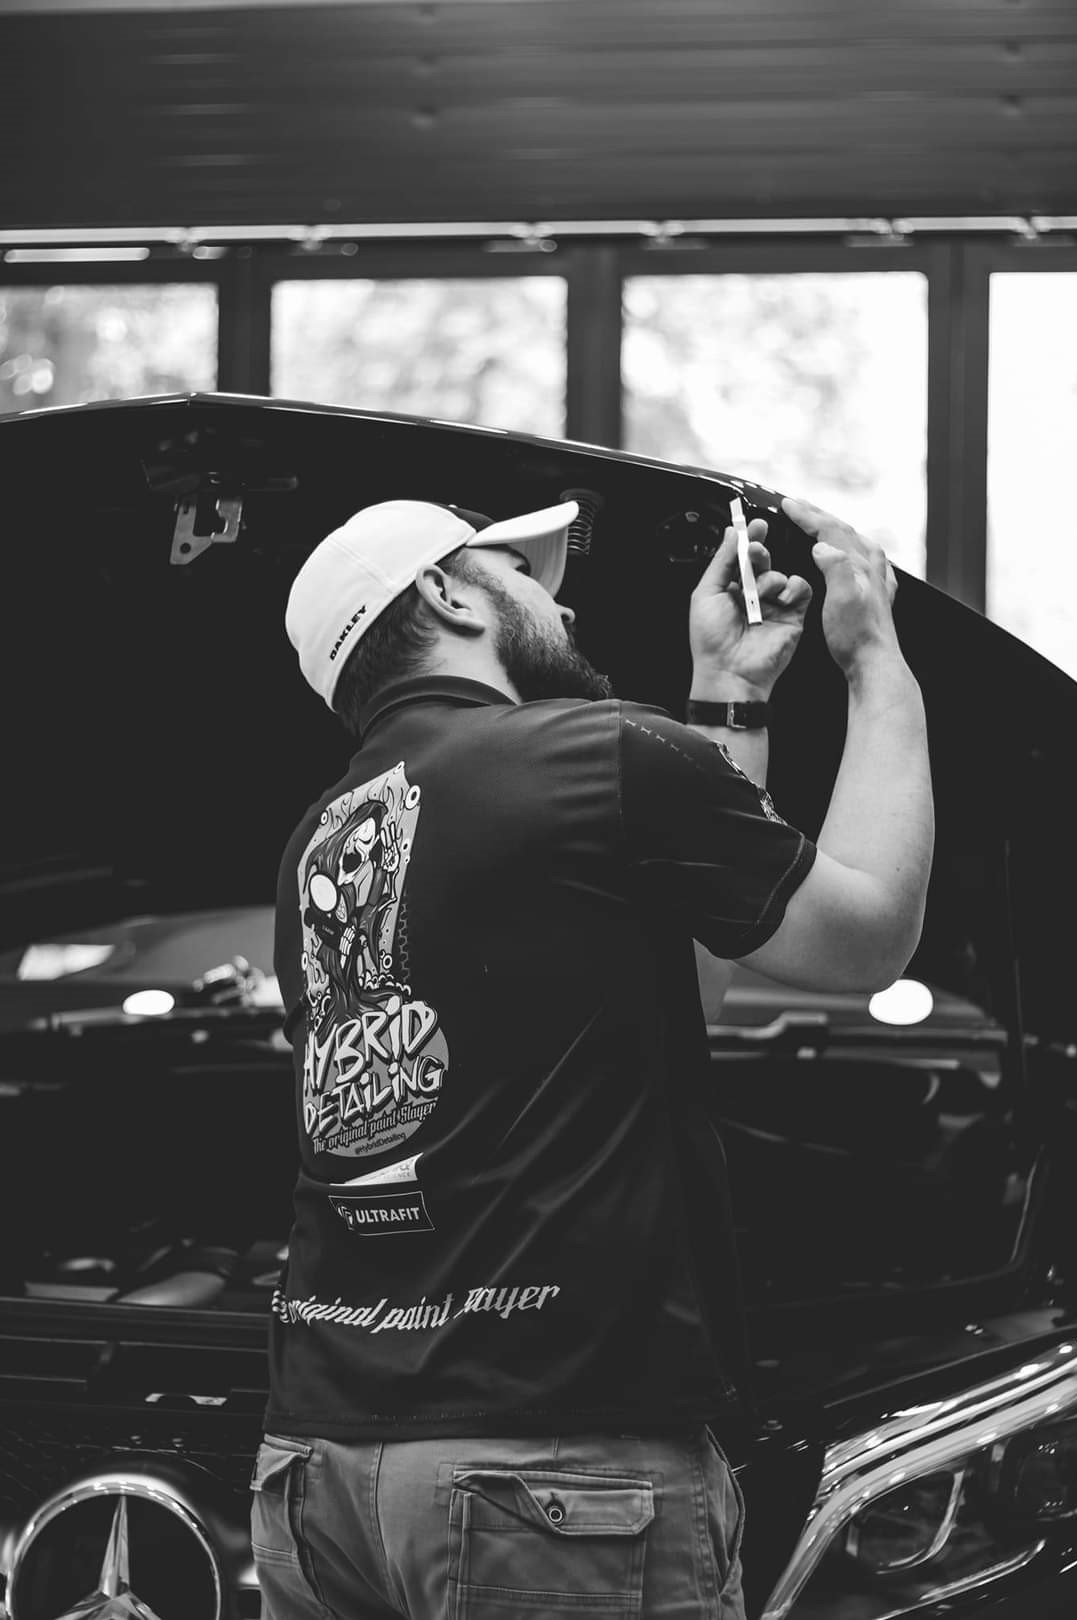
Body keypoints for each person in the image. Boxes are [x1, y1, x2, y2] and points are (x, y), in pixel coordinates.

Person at [251, 493, 933, 1620]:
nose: (560, 603)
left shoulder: (316, 841)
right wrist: (874, 659)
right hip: (549, 1475)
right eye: (522, 573)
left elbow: (690, 984)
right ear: (446, 593)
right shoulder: (601, 750)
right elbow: (867, 937)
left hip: (318, 1473)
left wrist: (729, 692)